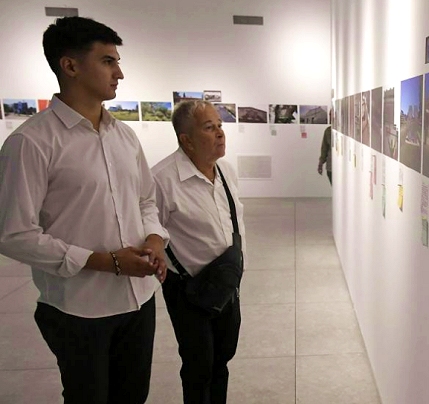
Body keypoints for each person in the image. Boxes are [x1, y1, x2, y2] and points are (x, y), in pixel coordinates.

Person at [0, 16, 168, 404]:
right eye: (108, 61)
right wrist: (103, 261)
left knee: (133, 396)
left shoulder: (124, 136)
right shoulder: (31, 142)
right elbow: (14, 233)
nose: (119, 73)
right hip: (79, 308)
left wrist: (155, 239)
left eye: (117, 62)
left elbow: (145, 200)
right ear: (70, 66)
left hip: (139, 300)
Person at [152, 100, 247, 404]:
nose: (220, 133)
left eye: (220, 125)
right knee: (198, 365)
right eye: (209, 128)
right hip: (188, 289)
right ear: (187, 140)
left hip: (226, 283)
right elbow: (150, 232)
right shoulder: (162, 179)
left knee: (222, 357)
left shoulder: (226, 171)